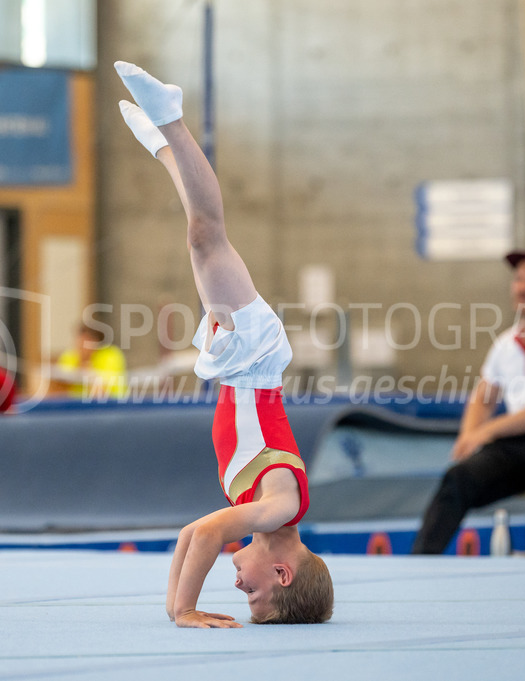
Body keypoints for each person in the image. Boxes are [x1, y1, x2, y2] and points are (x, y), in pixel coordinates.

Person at [116, 60, 333, 627]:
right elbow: (210, 533)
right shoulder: (281, 508)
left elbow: (193, 532)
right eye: (251, 592)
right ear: (282, 574)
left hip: (242, 365)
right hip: (254, 361)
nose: (237, 585)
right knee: (207, 237)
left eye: (237, 593)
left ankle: (163, 144)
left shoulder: (262, 515)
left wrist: (172, 606)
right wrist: (187, 609)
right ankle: (172, 120)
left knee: (201, 235)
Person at [411, 245, 525, 556]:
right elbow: (483, 398)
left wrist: (489, 430)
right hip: (518, 447)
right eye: (519, 279)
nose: (523, 287)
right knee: (458, 478)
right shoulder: (505, 344)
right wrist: (469, 436)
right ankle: (418, 563)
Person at [52, 323, 128, 399]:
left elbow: (104, 387)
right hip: (75, 403)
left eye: (88, 340)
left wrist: (88, 372)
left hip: (113, 401)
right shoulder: (70, 356)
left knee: (96, 385)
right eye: (81, 341)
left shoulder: (110, 355)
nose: (82, 346)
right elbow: (60, 381)